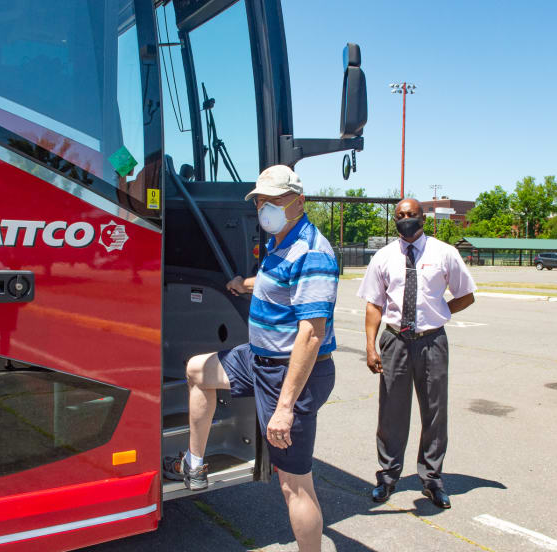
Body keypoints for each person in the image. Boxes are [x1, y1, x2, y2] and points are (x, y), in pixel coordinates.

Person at [163, 165, 338, 552]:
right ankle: (194, 464)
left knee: (294, 484)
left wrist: (285, 408)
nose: (264, 208)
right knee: (198, 371)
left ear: (299, 201)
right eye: (260, 201)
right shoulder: (280, 242)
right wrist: (246, 284)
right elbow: (282, 281)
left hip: (291, 374)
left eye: (274, 200)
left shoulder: (312, 252)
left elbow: (311, 335)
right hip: (258, 358)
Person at [357, 198, 476, 509]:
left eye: (411, 214)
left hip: (432, 341)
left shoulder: (444, 253)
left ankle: (432, 478)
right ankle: (387, 476)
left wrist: (440, 312)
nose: (405, 218)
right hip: (395, 340)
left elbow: (466, 295)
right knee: (391, 412)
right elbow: (373, 304)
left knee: (434, 411)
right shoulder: (383, 257)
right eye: (400, 215)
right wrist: (370, 346)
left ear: (423, 218)